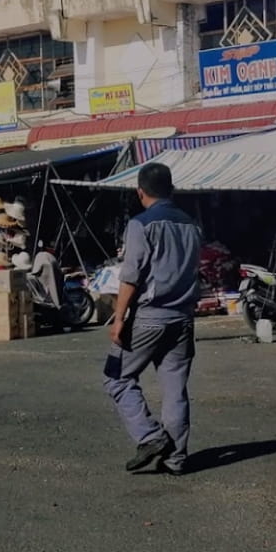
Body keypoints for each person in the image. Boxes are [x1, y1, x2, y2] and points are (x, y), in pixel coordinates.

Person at [103, 162, 201, 475]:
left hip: (150, 317)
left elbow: (130, 276)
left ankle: (150, 436)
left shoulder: (141, 224)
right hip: (183, 318)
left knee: (116, 377)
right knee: (175, 388)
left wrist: (119, 318)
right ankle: (176, 458)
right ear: (171, 189)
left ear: (140, 192)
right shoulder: (191, 224)